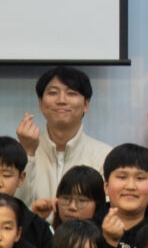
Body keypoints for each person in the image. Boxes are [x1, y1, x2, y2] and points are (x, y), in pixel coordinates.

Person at [20, 66, 112, 208]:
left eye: (71, 93)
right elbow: (13, 205)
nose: (61, 100)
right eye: (53, 93)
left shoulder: (105, 156)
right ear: (40, 103)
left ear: (86, 104)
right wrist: (28, 154)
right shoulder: (21, 152)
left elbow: (105, 210)